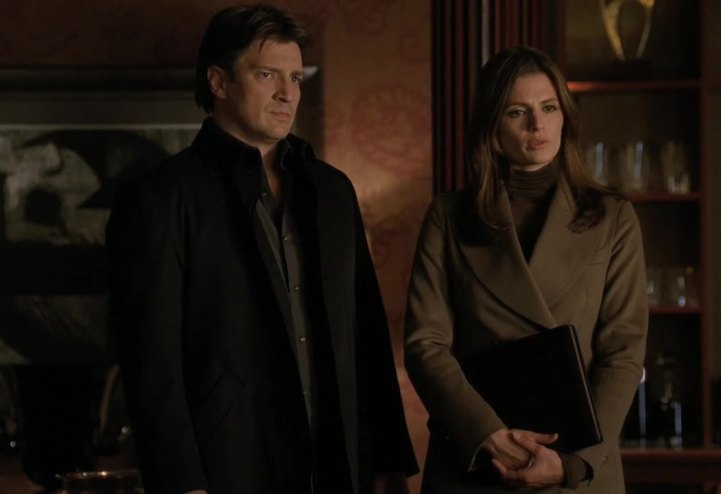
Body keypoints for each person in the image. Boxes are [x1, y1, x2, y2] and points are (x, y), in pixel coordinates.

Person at [105, 5, 417, 493]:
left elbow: (368, 335)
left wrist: (389, 462)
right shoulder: (158, 198)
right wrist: (182, 484)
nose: (287, 93)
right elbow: (151, 364)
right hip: (228, 469)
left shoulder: (333, 191)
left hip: (337, 468)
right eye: (267, 74)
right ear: (219, 82)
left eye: (295, 77)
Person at [404, 46, 648, 493]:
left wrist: (573, 461)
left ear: (564, 116)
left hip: (578, 466)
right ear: (492, 127)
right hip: (476, 462)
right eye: (518, 112)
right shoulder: (449, 216)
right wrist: (490, 436)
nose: (538, 125)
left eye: (549, 107)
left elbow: (623, 352)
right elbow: (425, 345)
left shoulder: (611, 216)